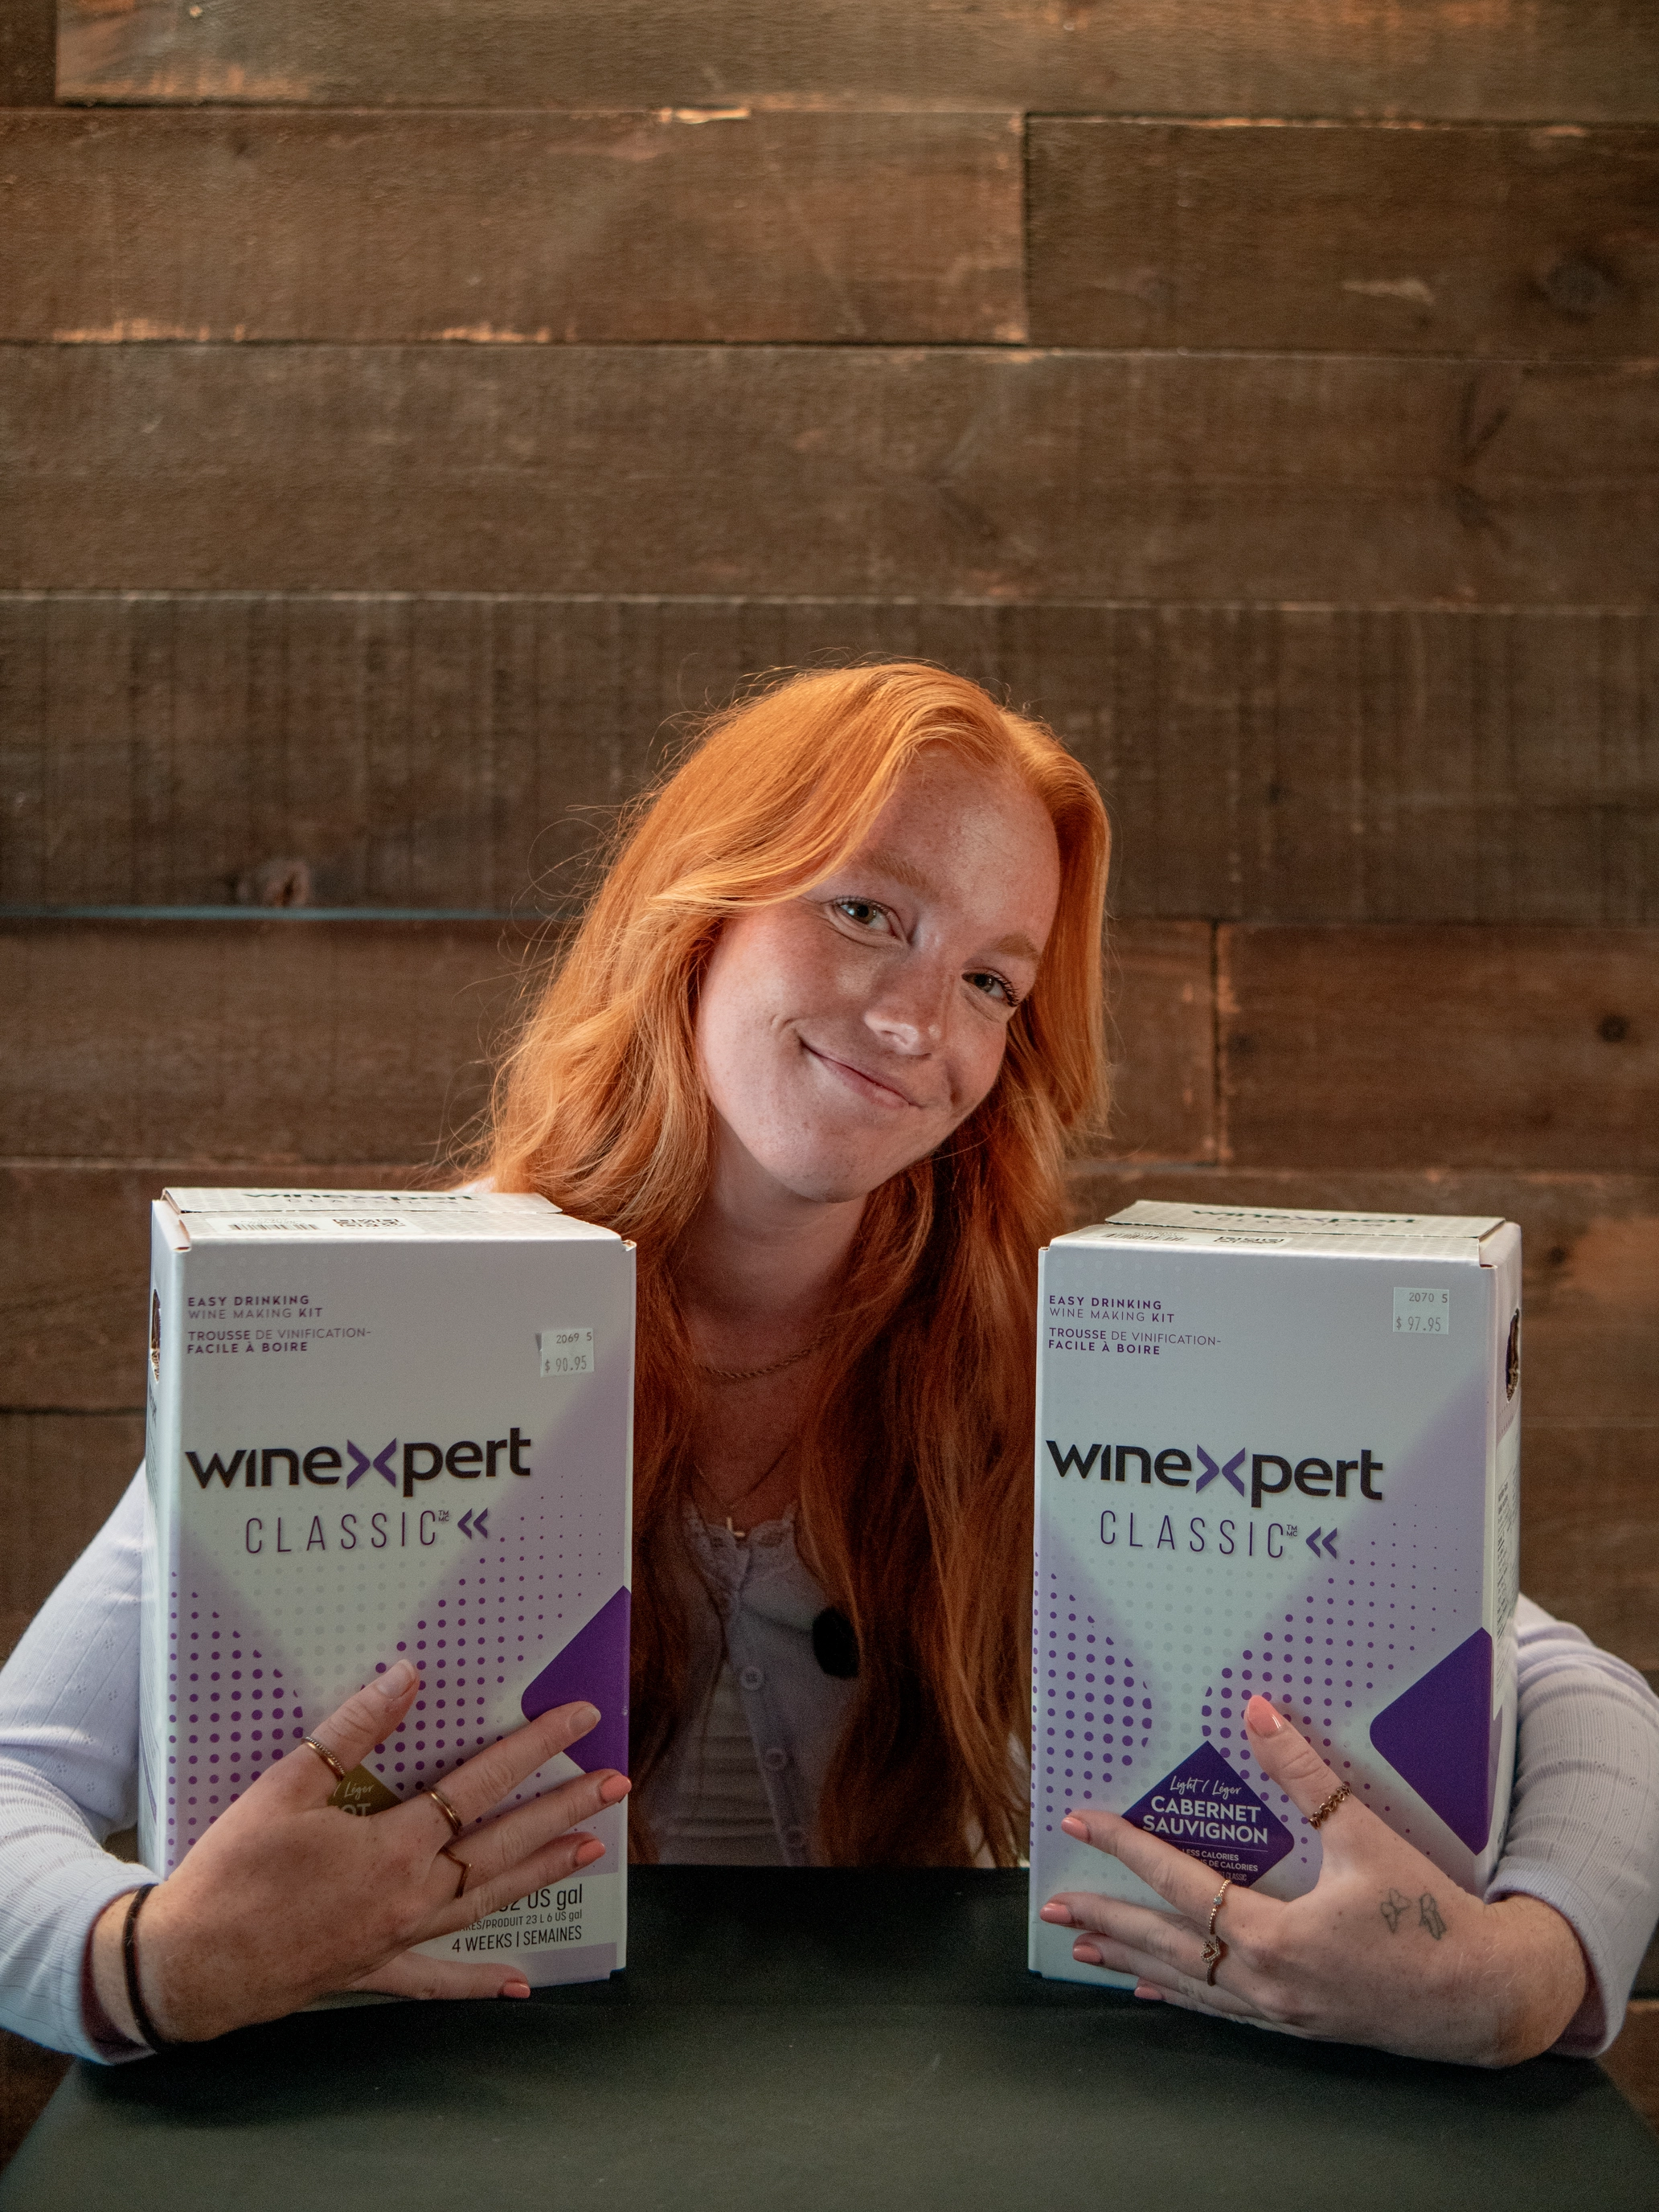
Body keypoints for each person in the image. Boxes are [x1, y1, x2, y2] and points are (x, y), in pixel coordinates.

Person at [1, 665, 1654, 2067]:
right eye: (867, 910)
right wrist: (144, 1964)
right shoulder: (391, 1331)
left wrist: (1530, 1977)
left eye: (991, 980)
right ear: (700, 912)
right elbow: (19, 1780)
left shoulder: (1066, 1358)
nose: (918, 1021)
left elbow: (1581, 1696)